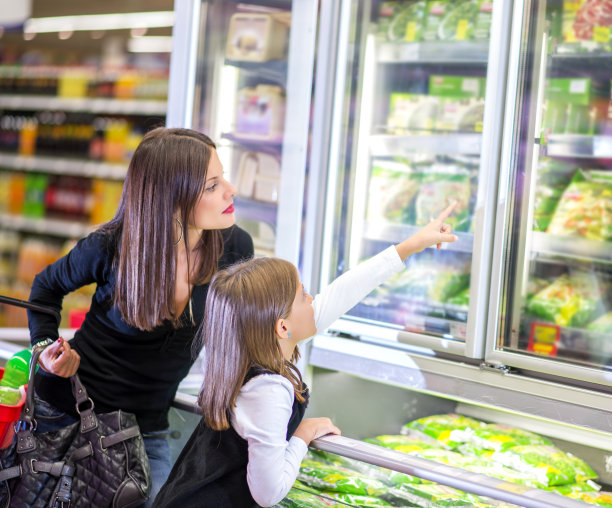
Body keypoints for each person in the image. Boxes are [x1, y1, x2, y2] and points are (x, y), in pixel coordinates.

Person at [153, 202, 459, 508]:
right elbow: (268, 492)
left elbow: (342, 292)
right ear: (283, 327)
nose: (313, 298)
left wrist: (409, 246)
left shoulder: (247, 357)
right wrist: (303, 435)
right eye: (303, 295)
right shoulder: (268, 390)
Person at [26, 127, 254, 506]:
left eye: (223, 177)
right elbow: (45, 287)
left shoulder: (234, 247)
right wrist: (46, 347)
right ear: (172, 198)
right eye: (212, 185)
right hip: (73, 416)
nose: (231, 190)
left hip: (148, 429)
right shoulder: (112, 247)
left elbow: (242, 325)